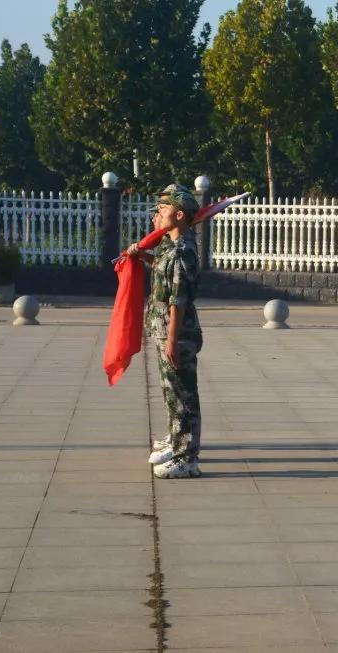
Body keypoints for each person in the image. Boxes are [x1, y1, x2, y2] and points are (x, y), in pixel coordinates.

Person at [127, 183, 203, 479]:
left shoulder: (183, 250)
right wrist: (142, 257)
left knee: (184, 395)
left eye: (163, 209)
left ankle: (187, 458)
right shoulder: (170, 247)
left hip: (178, 334)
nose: (157, 213)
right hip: (164, 330)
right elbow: (162, 270)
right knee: (172, 393)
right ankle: (175, 442)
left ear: (180, 214)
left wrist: (171, 339)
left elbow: (178, 299)